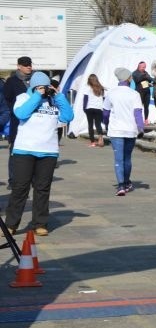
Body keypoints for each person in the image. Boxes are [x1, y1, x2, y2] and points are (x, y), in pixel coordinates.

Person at [5, 71, 74, 236]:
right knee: (20, 188)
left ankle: (40, 223)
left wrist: (59, 97)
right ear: (34, 86)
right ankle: (11, 224)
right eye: (40, 86)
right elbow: (21, 114)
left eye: (46, 86)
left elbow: (68, 116)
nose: (44, 90)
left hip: (48, 151)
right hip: (24, 151)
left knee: (42, 189)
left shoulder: (53, 101)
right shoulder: (24, 97)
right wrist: (37, 96)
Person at [104, 68, 145, 197]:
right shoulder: (134, 94)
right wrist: (140, 128)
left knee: (118, 159)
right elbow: (137, 113)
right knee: (127, 158)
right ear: (128, 78)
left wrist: (106, 124)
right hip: (130, 130)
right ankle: (127, 182)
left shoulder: (111, 93)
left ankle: (121, 185)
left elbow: (105, 113)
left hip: (116, 130)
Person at [4, 56, 34, 184]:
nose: (29, 67)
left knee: (32, 150)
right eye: (25, 65)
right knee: (15, 151)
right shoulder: (11, 81)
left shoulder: (34, 80)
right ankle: (13, 179)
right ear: (19, 66)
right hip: (17, 121)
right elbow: (7, 99)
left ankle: (30, 178)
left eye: (30, 64)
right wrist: (16, 111)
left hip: (34, 122)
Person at [80, 74, 106, 148]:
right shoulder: (101, 88)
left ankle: (92, 142)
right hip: (99, 108)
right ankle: (101, 139)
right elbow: (104, 99)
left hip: (90, 108)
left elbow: (85, 99)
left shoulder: (87, 87)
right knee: (98, 124)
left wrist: (84, 108)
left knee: (90, 125)